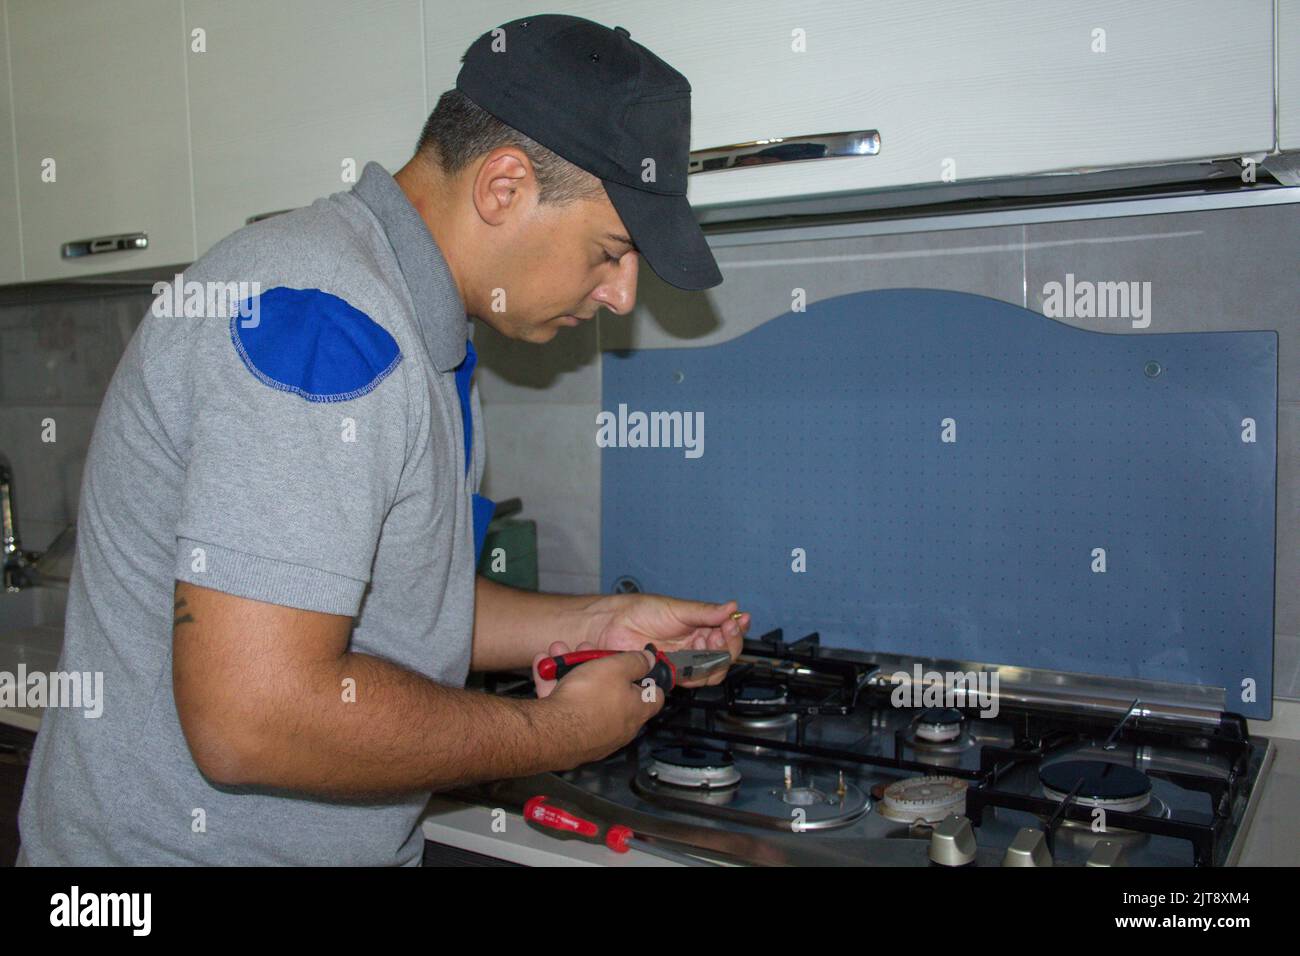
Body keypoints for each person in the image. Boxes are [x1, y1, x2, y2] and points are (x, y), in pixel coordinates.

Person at [17, 14, 747, 866]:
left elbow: (405, 606)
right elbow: (253, 720)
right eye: (611, 250)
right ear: (503, 188)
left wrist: (604, 620)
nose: (623, 295)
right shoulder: (324, 322)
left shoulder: (421, 331)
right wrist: (555, 733)